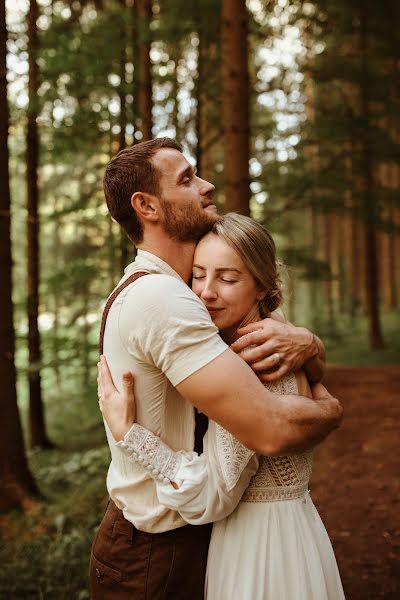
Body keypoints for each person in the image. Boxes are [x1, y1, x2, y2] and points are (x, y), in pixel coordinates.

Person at [90, 138, 342, 600]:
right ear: (146, 205)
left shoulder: (163, 290)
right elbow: (268, 431)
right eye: (186, 179)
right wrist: (330, 411)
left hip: (202, 539)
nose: (206, 185)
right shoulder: (163, 299)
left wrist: (309, 344)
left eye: (226, 278)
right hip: (158, 551)